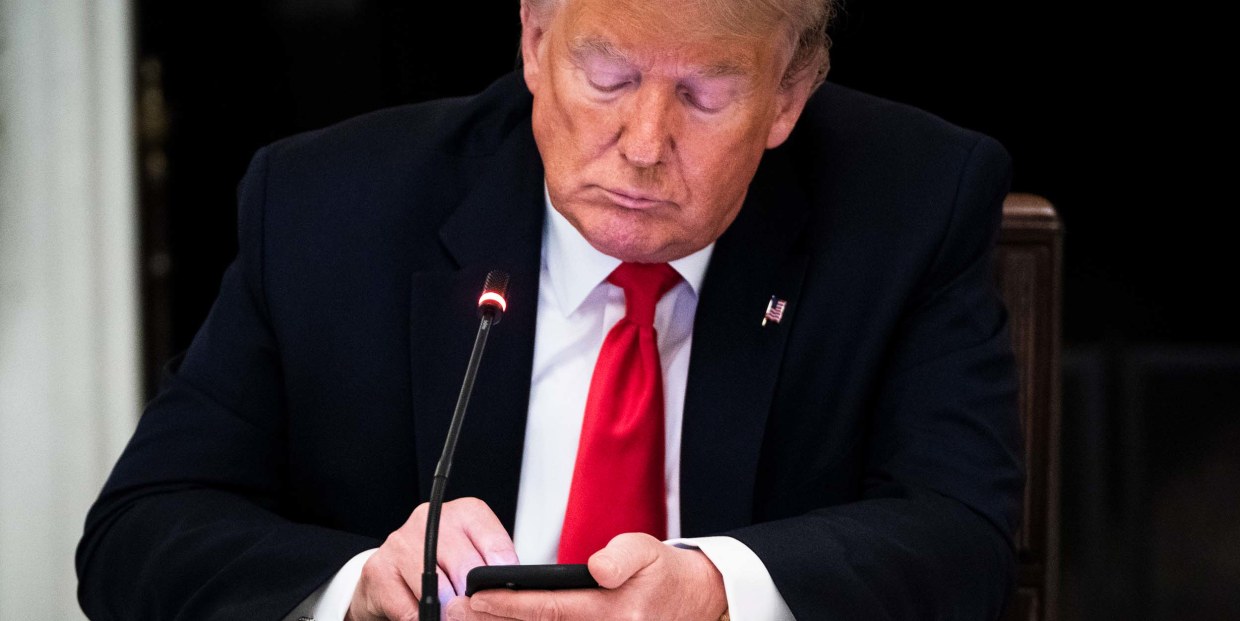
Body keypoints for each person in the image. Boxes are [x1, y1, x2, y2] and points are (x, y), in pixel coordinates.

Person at [76, 0, 1024, 619]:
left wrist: (720, 588)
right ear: (535, 43)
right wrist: (359, 585)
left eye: (704, 95)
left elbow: (962, 539)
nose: (644, 143)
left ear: (788, 99)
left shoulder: (912, 204)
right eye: (607, 79)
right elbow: (140, 534)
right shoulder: (330, 207)